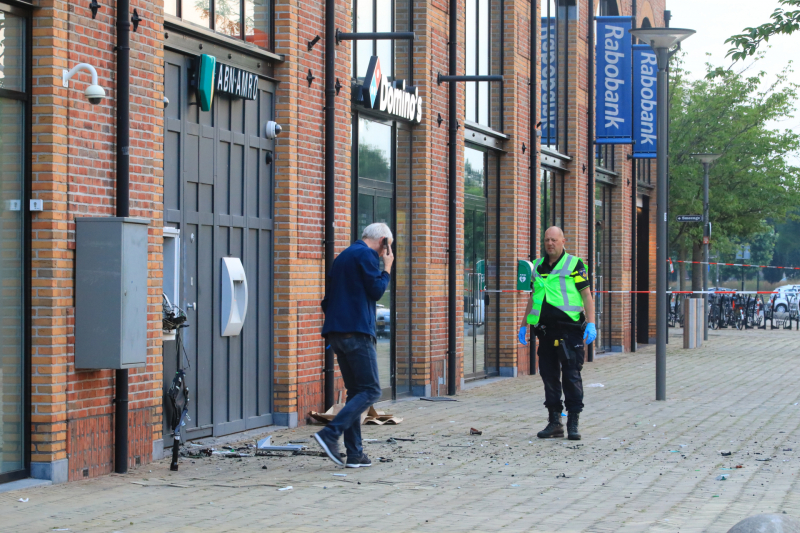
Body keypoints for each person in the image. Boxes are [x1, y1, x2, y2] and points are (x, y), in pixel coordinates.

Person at [314, 222, 394, 468]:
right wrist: (387, 269)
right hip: (357, 333)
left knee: (355, 392)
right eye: (387, 247)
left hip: (337, 334)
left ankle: (355, 454)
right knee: (371, 391)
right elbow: (377, 290)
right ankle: (330, 433)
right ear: (383, 241)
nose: (385, 252)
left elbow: (327, 301)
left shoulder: (343, 256)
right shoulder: (367, 255)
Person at [518, 226, 597, 441]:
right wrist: (524, 324)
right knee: (549, 376)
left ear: (563, 241)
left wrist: (591, 323)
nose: (549, 244)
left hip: (570, 330)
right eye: (546, 240)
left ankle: (573, 421)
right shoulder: (537, 266)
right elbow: (534, 297)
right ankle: (554, 422)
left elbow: (586, 295)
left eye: (553, 240)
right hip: (545, 331)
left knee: (571, 375)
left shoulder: (574, 264)